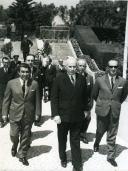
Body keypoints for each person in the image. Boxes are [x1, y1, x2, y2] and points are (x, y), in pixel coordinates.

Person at [51, 57, 88, 171]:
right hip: (62, 117)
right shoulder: (59, 79)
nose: (72, 69)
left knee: (75, 140)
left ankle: (77, 165)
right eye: (70, 67)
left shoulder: (81, 79)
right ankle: (63, 158)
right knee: (62, 140)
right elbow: (54, 98)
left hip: (77, 117)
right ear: (66, 67)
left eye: (74, 67)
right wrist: (55, 114)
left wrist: (86, 110)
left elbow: (84, 97)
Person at [2, 63, 41, 166]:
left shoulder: (34, 84)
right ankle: (14, 144)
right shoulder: (11, 83)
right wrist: (4, 114)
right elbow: (6, 99)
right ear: (19, 72)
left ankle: (22, 154)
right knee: (14, 134)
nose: (25, 74)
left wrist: (37, 114)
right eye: (23, 72)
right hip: (14, 113)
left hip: (28, 114)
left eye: (27, 72)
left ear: (30, 72)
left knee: (25, 135)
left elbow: (37, 100)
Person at [92, 59, 128, 167]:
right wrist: (102, 103)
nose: (113, 69)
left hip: (115, 111)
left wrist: (115, 104)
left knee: (112, 133)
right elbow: (94, 94)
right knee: (100, 130)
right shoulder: (99, 80)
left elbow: (123, 96)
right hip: (102, 110)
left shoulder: (123, 81)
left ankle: (110, 156)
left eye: (115, 67)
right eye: (111, 67)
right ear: (107, 68)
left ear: (118, 68)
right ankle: (97, 142)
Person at [77, 58, 94, 144]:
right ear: (77, 66)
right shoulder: (73, 77)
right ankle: (76, 134)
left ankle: (83, 134)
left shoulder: (89, 78)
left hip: (86, 103)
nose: (82, 67)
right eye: (80, 65)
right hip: (75, 104)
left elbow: (91, 92)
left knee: (87, 118)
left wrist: (91, 103)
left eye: (84, 66)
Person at [0, 57, 14, 127]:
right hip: (1, 91)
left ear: (9, 63)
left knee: (10, 105)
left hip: (10, 91)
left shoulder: (12, 71)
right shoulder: (0, 70)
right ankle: (1, 121)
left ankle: (9, 118)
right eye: (4, 62)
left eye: (7, 62)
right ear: (2, 63)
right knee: (1, 106)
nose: (6, 64)